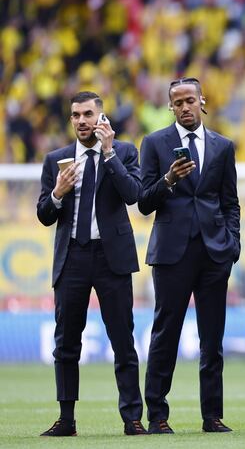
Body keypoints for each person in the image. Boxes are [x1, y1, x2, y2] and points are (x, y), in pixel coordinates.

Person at [36, 91, 146, 436]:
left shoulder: (125, 151)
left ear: (101, 119)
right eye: (75, 115)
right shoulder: (57, 159)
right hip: (73, 257)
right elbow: (43, 214)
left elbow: (134, 196)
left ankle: (132, 419)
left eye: (87, 114)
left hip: (112, 257)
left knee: (123, 340)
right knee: (67, 342)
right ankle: (66, 420)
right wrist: (57, 193)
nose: (81, 120)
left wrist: (109, 153)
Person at [139, 77, 240, 434]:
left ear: (202, 102)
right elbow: (143, 202)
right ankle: (157, 416)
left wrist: (233, 245)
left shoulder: (223, 146)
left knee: (212, 339)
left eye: (190, 100)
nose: (184, 107)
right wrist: (167, 180)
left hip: (214, 253)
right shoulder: (154, 143)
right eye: (177, 102)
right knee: (165, 334)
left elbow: (230, 201)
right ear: (170, 107)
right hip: (171, 254)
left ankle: (212, 416)